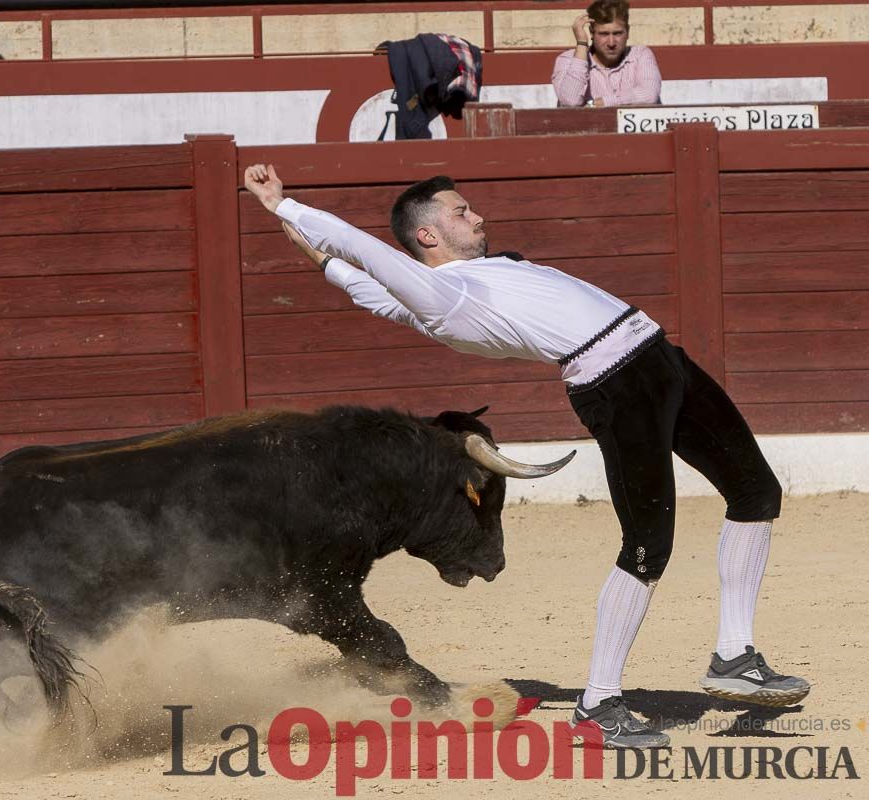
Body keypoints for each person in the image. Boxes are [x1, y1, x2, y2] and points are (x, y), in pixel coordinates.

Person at [243, 163, 810, 749]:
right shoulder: (438, 295)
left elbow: (342, 271)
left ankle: (735, 654)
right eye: (460, 211)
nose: (477, 215)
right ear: (427, 236)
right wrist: (281, 205)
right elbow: (360, 251)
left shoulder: (479, 274)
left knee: (755, 493)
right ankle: (598, 704)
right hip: (616, 383)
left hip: (658, 356)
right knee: (648, 543)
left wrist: (294, 229)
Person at [551, 0, 660, 107]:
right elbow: (570, 101)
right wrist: (581, 43)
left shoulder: (640, 55)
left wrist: (603, 102)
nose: (611, 43)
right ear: (591, 33)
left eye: (617, 33)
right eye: (604, 34)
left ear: (627, 32)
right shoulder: (568, 59)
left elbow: (649, 95)